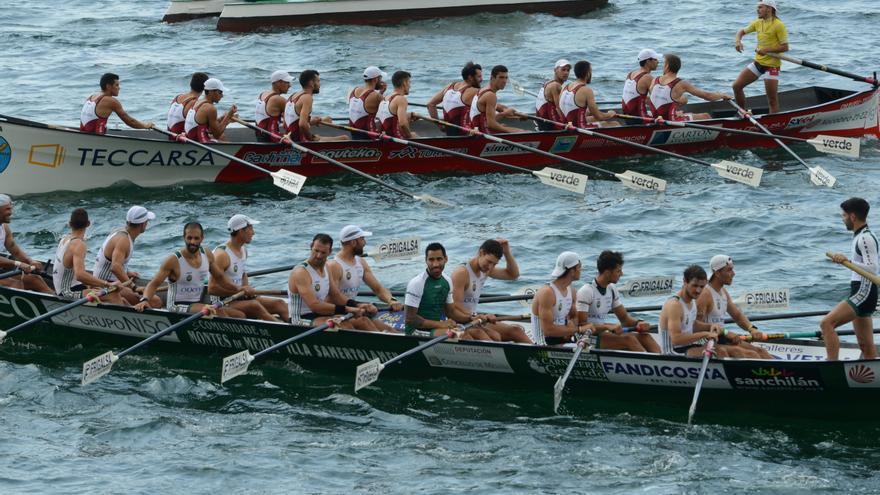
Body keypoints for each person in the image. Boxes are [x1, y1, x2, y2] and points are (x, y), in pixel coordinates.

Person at [134, 222, 244, 317]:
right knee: (217, 311)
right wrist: (145, 300)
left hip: (197, 304)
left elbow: (220, 278)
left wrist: (240, 289)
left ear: (202, 238)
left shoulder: (207, 255)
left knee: (239, 315)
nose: (192, 242)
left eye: (196, 238)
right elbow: (154, 284)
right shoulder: (173, 260)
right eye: (189, 238)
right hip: (176, 305)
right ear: (184, 238)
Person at [821, 198, 879, 361]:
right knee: (866, 347)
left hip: (864, 292)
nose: (842, 218)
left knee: (826, 324)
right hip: (862, 291)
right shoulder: (860, 236)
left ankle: (831, 367)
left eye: (844, 215)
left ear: (853, 217)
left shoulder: (865, 238)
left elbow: (873, 268)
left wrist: (847, 261)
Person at [287, 234, 381, 330]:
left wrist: (358, 304)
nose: (319, 256)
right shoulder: (301, 272)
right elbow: (315, 306)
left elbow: (336, 295)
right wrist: (348, 309)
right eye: (316, 251)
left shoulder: (326, 267)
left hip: (319, 315)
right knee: (344, 326)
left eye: (323, 252)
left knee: (363, 320)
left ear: (330, 252)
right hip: (299, 319)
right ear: (311, 247)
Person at [208, 215, 289, 322]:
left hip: (239, 297)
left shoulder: (243, 250)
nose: (253, 233)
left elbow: (243, 274)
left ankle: (297, 327)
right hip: (221, 301)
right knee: (254, 305)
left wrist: (245, 287)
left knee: (280, 304)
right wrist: (239, 291)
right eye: (251, 229)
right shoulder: (222, 255)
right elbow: (212, 288)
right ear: (241, 231)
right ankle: (284, 330)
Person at [576, 251, 660, 353]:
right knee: (629, 339)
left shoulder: (611, 289)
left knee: (645, 337)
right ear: (607, 273)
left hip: (601, 333)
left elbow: (624, 319)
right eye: (618, 271)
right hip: (585, 338)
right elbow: (581, 325)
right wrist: (608, 326)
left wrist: (639, 323)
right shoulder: (587, 291)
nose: (622, 274)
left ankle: (665, 365)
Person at [451, 239, 532, 343]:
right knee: (494, 338)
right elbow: (455, 306)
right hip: (459, 320)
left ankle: (540, 356)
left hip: (475, 318)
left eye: (494, 264)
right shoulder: (461, 273)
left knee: (516, 331)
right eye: (489, 262)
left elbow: (513, 275)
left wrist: (507, 252)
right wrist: (476, 316)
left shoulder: (485, 270)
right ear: (481, 253)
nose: (490, 267)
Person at [404, 242, 489, 339]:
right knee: (462, 335)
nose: (435, 264)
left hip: (435, 328)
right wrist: (441, 324)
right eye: (431, 260)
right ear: (426, 261)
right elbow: (409, 319)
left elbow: (451, 312)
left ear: (446, 259)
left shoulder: (447, 281)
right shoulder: (417, 283)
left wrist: (471, 318)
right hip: (416, 331)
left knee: (478, 332)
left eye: (439, 259)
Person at [696, 255, 774, 359]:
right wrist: (726, 333)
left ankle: (779, 373)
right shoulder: (705, 294)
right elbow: (695, 327)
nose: (733, 274)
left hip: (721, 337)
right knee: (752, 355)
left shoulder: (723, 292)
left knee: (761, 351)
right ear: (718, 273)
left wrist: (752, 329)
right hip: (706, 341)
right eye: (729, 270)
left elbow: (737, 315)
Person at [327, 225, 401, 332]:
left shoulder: (360, 262)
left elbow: (378, 289)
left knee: (389, 330)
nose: (365, 243)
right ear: (353, 243)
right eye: (362, 239)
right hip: (335, 313)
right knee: (364, 322)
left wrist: (391, 300)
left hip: (354, 311)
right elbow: (333, 298)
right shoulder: (334, 266)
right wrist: (359, 305)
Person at [52, 208, 125, 304]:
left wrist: (98, 285)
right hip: (66, 292)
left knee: (119, 297)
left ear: (70, 224)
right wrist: (107, 284)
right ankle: (122, 318)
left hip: (71, 286)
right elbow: (80, 275)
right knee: (113, 295)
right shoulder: (79, 244)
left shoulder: (64, 239)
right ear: (88, 224)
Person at [92, 205, 161, 306]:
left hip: (113, 283)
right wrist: (134, 287)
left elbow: (116, 261)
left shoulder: (120, 232)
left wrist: (126, 272)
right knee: (155, 301)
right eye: (147, 221)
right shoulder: (123, 240)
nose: (147, 224)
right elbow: (115, 267)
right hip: (106, 286)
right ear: (142, 224)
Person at [733, 0, 789, 114]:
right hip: (759, 63)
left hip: (772, 66)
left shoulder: (779, 25)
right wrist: (738, 41)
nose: (757, 10)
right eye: (758, 7)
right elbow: (740, 32)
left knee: (772, 100)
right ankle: (742, 113)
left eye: (760, 7)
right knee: (736, 86)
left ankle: (774, 123)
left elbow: (785, 47)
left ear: (769, 9)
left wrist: (766, 50)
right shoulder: (758, 23)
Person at [659, 265, 727, 357]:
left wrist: (710, 326)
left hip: (687, 347)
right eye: (694, 285)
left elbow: (692, 324)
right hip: (672, 352)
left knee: (732, 350)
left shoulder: (692, 301)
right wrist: (705, 334)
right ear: (685, 281)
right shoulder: (674, 305)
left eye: (702, 286)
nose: (698, 290)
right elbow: (676, 339)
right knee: (721, 352)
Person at [531, 251, 592, 346]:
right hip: (544, 343)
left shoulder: (572, 292)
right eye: (579, 267)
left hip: (562, 339)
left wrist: (572, 326)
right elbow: (548, 330)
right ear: (572, 271)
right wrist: (579, 329)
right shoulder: (547, 293)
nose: (581, 269)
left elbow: (573, 317)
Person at [649, 54, 732, 122]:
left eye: (664, 64)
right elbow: (708, 96)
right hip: (670, 121)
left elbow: (659, 101)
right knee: (706, 116)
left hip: (656, 118)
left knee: (684, 102)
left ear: (667, 66)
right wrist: (722, 95)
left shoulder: (654, 80)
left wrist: (675, 110)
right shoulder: (681, 83)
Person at [0, 194, 52, 293]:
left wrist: (30, 261)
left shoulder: (4, 227)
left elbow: (15, 252)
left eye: (11, 209)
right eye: (7, 209)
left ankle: (59, 303)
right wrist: (18, 264)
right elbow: (16, 260)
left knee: (34, 279)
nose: (11, 213)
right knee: (15, 285)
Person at [284, 70, 348, 142]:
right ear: (311, 83)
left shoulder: (293, 96)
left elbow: (287, 123)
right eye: (318, 81)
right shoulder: (307, 98)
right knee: (345, 138)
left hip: (290, 137)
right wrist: (311, 138)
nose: (319, 85)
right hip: (300, 141)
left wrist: (314, 121)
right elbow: (302, 124)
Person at [80, 73, 153, 135]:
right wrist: (145, 126)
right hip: (97, 139)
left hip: (85, 135)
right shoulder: (111, 101)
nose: (119, 88)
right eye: (116, 85)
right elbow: (130, 121)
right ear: (108, 86)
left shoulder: (91, 97)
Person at [426, 62, 483, 136]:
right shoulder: (474, 91)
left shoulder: (450, 86)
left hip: (450, 134)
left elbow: (430, 104)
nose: (481, 79)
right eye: (479, 77)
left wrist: (440, 126)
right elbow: (492, 106)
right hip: (466, 136)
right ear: (470, 77)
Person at [559, 60, 619, 129]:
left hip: (567, 125)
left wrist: (586, 112)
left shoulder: (565, 87)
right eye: (591, 71)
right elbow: (599, 116)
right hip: (579, 128)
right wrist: (610, 114)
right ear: (587, 73)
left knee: (593, 118)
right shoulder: (586, 90)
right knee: (615, 123)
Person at [466, 65, 522, 134]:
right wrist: (510, 131)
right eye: (501, 77)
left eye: (506, 78)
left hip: (476, 129)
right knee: (524, 132)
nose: (504, 81)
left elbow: (492, 112)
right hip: (483, 133)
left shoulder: (483, 90)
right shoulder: (491, 95)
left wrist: (519, 114)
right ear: (492, 78)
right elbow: (491, 124)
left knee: (513, 129)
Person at [184, 78, 237, 143]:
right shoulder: (210, 108)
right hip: (201, 143)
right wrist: (228, 116)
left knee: (222, 137)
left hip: (192, 140)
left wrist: (223, 118)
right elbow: (217, 134)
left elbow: (210, 129)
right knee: (228, 143)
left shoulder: (197, 102)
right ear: (211, 92)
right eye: (220, 92)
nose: (222, 95)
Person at [378, 70, 420, 139]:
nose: (410, 86)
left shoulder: (385, 98)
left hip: (385, 138)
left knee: (413, 133)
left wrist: (409, 115)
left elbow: (391, 118)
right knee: (414, 135)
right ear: (404, 83)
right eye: (409, 82)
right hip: (396, 139)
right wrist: (410, 136)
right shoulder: (401, 99)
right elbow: (402, 124)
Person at [348, 66, 386, 139]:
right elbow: (388, 112)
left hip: (354, 135)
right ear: (376, 79)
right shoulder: (376, 96)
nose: (382, 81)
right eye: (381, 78)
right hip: (370, 137)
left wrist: (381, 93)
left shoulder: (354, 90)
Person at [254, 70, 293, 142]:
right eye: (287, 82)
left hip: (260, 137)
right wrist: (314, 121)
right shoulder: (278, 99)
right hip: (273, 139)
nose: (290, 85)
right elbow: (289, 123)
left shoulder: (263, 94)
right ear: (278, 83)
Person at [621, 49, 661, 119]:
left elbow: (639, 97)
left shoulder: (630, 74)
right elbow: (659, 101)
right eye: (655, 59)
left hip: (626, 116)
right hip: (640, 119)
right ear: (648, 61)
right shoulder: (647, 77)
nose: (658, 62)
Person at [167, 72, 209, 136]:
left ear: (190, 84)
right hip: (180, 141)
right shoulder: (194, 102)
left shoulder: (178, 97)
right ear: (205, 88)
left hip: (170, 136)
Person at [534, 59, 570, 130]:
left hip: (541, 122)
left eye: (568, 70)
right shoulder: (555, 86)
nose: (566, 73)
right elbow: (559, 108)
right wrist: (568, 123)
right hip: (550, 126)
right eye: (563, 70)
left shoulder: (547, 82)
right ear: (555, 70)